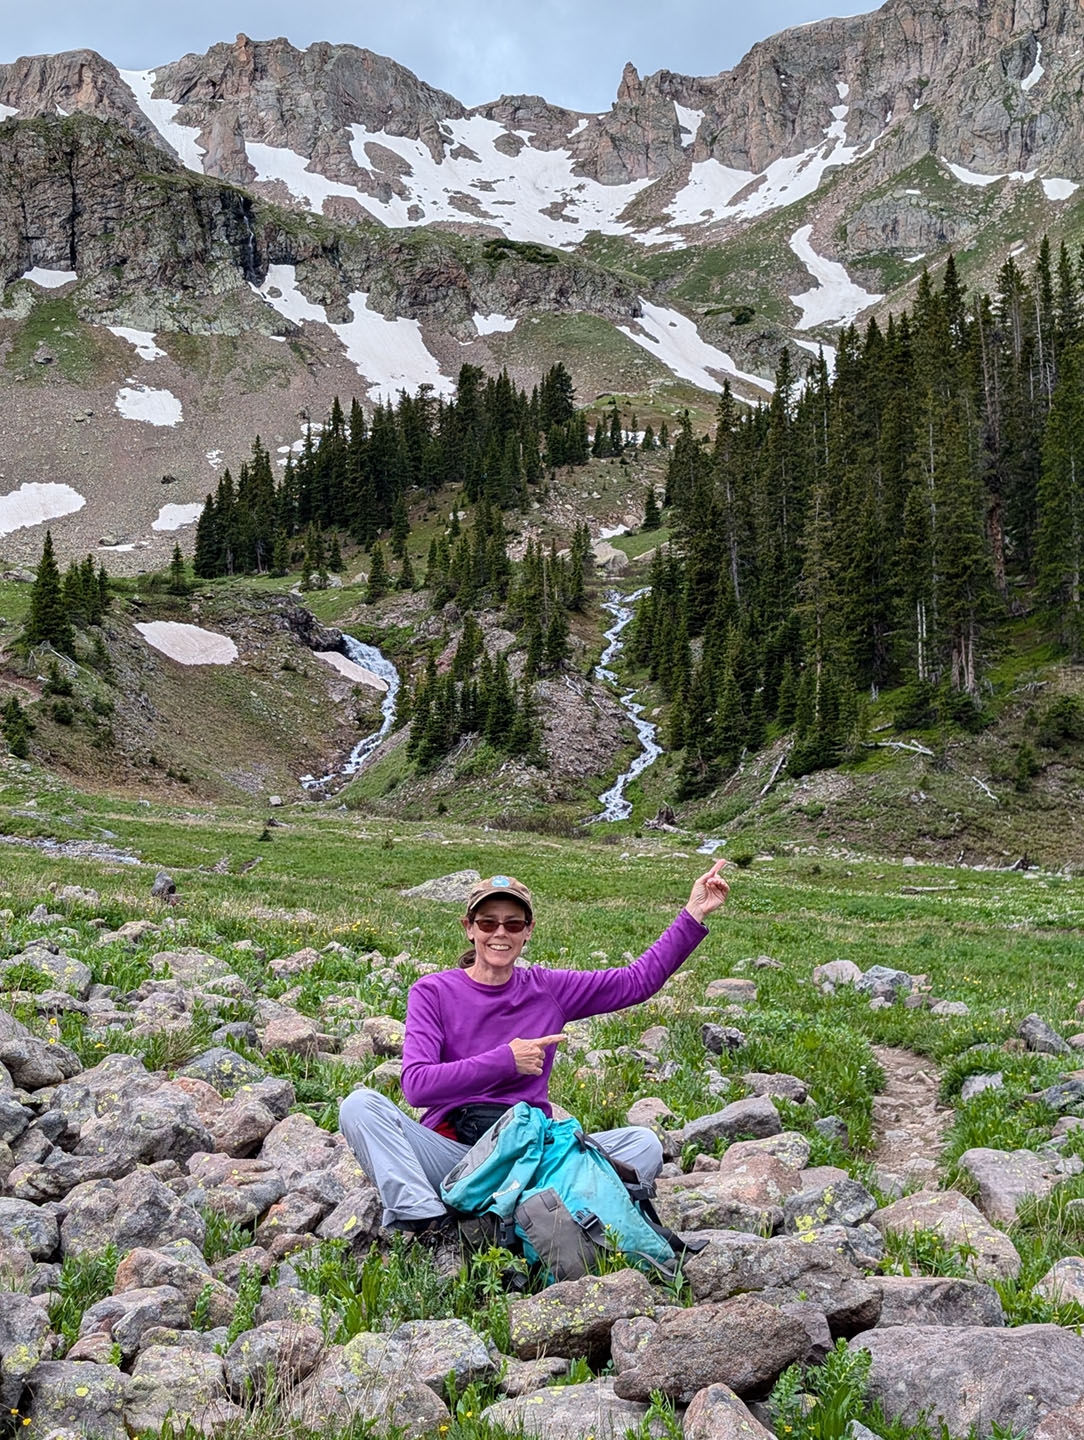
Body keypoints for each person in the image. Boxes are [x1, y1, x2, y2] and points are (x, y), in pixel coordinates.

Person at [339, 861, 729, 1234]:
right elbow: (417, 1086)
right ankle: (428, 1221)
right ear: (469, 929)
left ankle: (519, 1216)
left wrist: (693, 913)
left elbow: (636, 981)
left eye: (513, 923)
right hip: (456, 1156)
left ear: (528, 931)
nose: (500, 933)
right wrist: (507, 1060)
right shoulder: (433, 992)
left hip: (531, 1156)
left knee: (641, 1144)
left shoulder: (548, 989)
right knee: (360, 1106)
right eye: (488, 922)